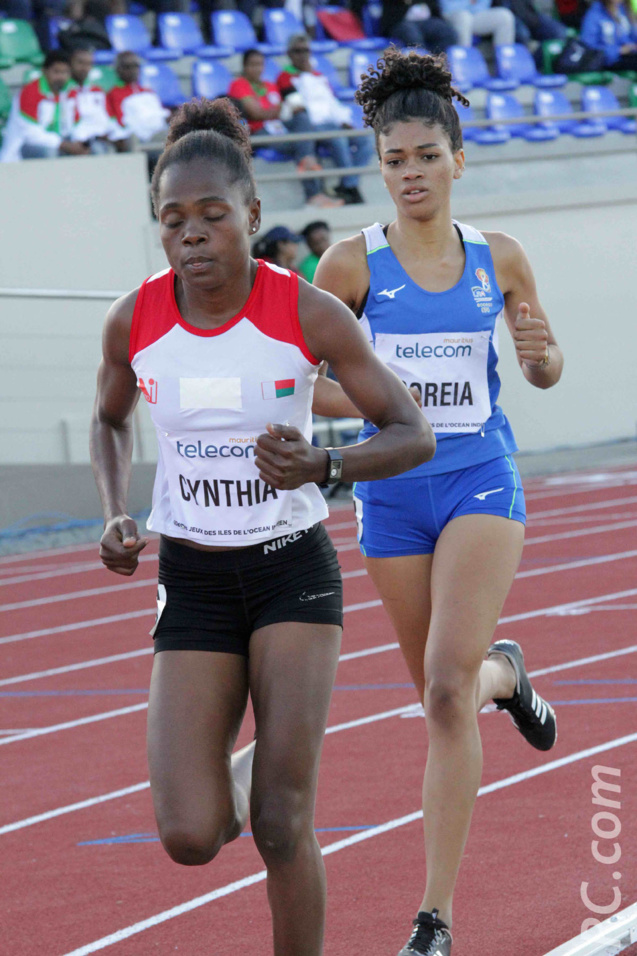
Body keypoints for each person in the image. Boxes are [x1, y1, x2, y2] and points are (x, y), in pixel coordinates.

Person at [89, 96, 434, 956]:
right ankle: (253, 763)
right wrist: (115, 511)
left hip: (291, 571)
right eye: (174, 220)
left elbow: (410, 431)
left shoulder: (305, 312)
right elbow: (107, 418)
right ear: (157, 229)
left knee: (282, 824)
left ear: (249, 213)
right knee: (191, 834)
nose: (193, 234)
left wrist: (326, 465)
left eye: (212, 215)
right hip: (196, 578)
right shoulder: (133, 319)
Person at [311, 48, 563, 956]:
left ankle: (433, 917)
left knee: (445, 684)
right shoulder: (350, 266)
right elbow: (303, 384)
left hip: (478, 478)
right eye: (393, 159)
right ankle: (512, 672)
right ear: (377, 166)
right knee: (443, 697)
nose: (410, 173)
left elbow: (541, 367)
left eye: (425, 155)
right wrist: (386, 401)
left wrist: (537, 354)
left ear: (458, 159)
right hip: (390, 494)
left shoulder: (500, 256)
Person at [229, 48, 343, 209]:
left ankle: (314, 188)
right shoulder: (238, 84)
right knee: (304, 145)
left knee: (303, 120)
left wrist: (274, 111)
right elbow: (256, 113)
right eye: (253, 65)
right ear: (244, 66)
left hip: (278, 127)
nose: (257, 68)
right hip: (258, 132)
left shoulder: (269, 84)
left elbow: (280, 110)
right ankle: (315, 194)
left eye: (260, 64)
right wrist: (276, 110)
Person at [277, 33, 374, 204]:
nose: (303, 55)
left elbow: (331, 102)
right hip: (313, 125)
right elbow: (299, 106)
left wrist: (344, 121)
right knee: (339, 140)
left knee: (365, 141)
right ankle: (350, 188)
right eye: (298, 51)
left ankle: (348, 184)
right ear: (289, 54)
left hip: (332, 122)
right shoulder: (285, 77)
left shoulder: (318, 75)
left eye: (306, 51)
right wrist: (307, 76)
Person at [0, 50, 89, 161]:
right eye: (56, 72)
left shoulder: (70, 90)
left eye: (65, 72)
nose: (61, 77)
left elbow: (77, 123)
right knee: (50, 152)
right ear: (44, 71)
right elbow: (30, 133)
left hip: (61, 142)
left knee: (93, 148)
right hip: (25, 147)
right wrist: (63, 144)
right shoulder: (31, 92)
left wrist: (79, 141)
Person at [106, 51, 168, 148]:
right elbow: (121, 122)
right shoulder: (114, 94)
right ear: (118, 69)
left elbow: (160, 115)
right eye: (127, 67)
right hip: (139, 137)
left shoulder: (148, 91)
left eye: (136, 66)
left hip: (159, 132)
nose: (133, 70)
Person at [350, 0, 458, 54]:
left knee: (447, 32)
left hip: (425, 21)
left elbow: (434, 6)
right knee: (412, 35)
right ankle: (422, 68)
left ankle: (437, 65)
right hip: (398, 21)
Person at [67, 45, 113, 153]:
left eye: (88, 64)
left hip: (100, 137)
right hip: (77, 140)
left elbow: (108, 118)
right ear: (70, 64)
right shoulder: (64, 91)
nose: (84, 68)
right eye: (80, 63)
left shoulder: (97, 91)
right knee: (98, 150)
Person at [580, 0, 637, 69]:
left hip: (629, 55)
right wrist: (618, 50)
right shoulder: (595, 14)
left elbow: (629, 36)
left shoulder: (624, 10)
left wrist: (631, 47)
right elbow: (588, 47)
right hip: (608, 61)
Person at [438, 0, 516, 47]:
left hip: (474, 15)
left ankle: (506, 65)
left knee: (505, 16)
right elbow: (447, 8)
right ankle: (463, 61)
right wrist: (468, 2)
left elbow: (483, 7)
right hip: (451, 16)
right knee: (464, 17)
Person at [495, 0, 568, 43]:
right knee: (523, 34)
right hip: (507, 15)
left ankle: (537, 62)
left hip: (529, 12)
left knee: (558, 31)